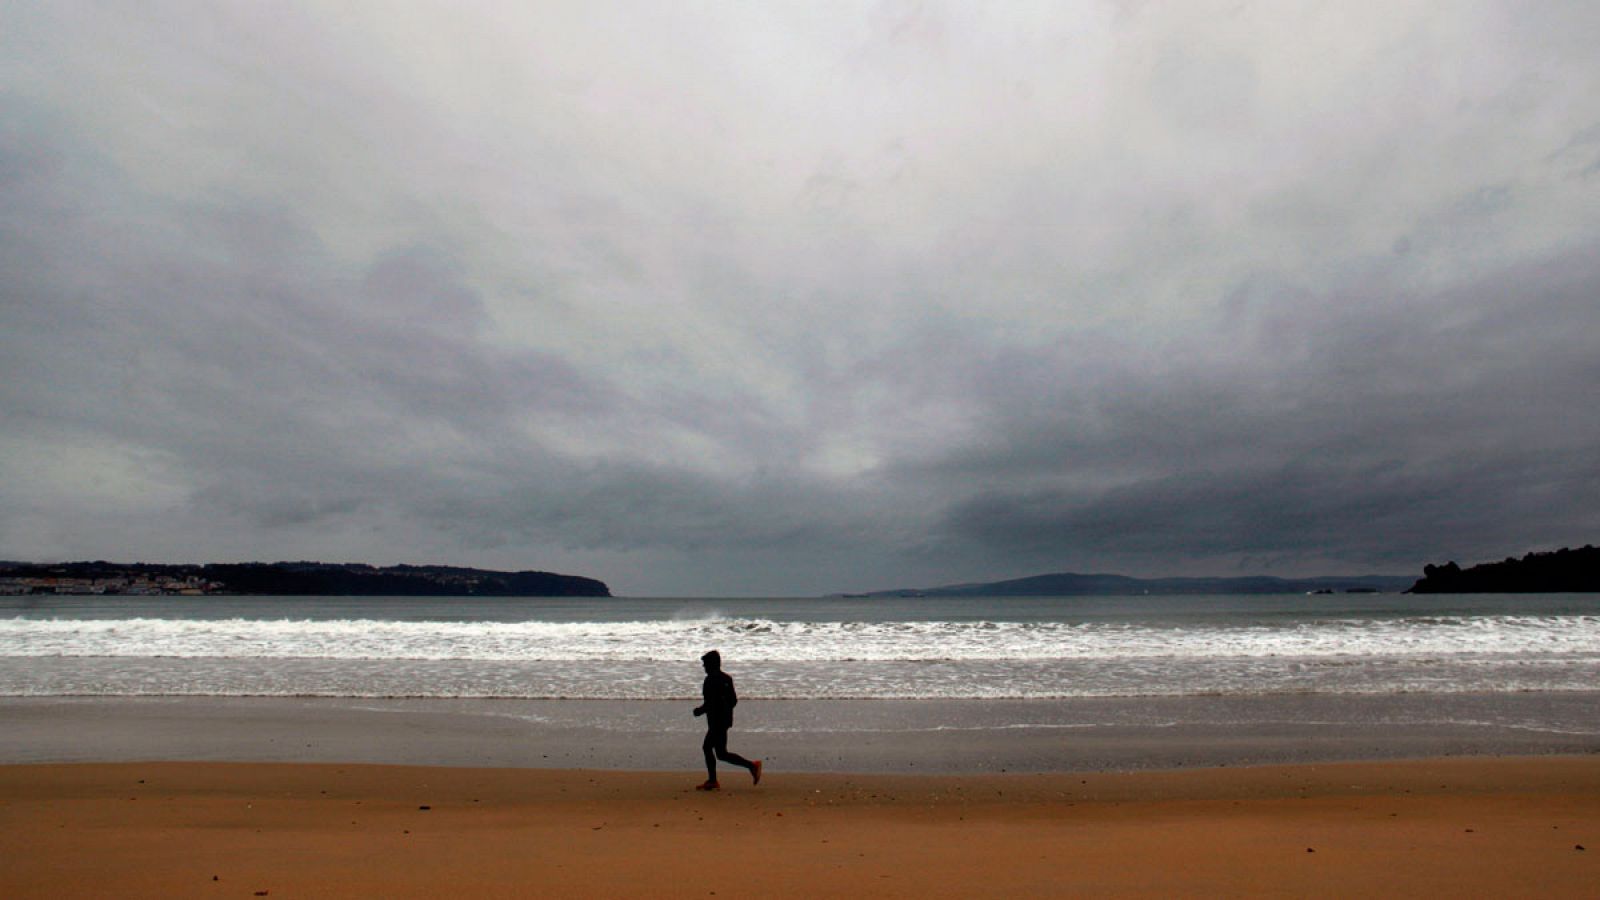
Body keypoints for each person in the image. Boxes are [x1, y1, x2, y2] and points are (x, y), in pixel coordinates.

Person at [693, 649, 762, 790]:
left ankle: (713, 780)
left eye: (705, 664)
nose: (703, 667)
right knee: (722, 754)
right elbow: (733, 701)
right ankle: (752, 766)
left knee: (707, 748)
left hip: (716, 722)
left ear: (711, 665)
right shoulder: (727, 678)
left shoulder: (710, 680)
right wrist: (724, 711)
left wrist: (699, 711)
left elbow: (710, 703)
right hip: (725, 721)